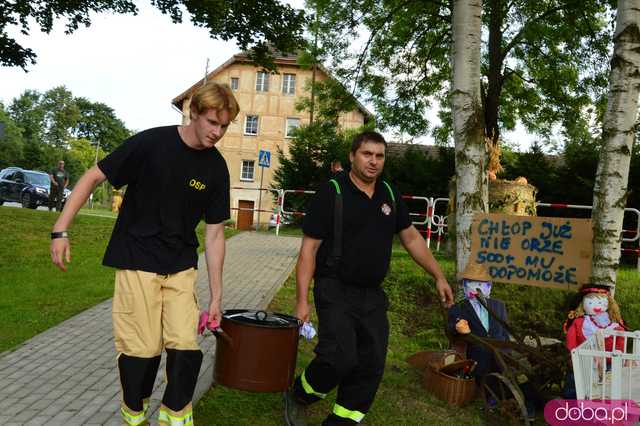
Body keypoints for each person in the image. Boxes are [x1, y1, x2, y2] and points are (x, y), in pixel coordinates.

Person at [49, 81, 239, 426]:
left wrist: (216, 298)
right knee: (142, 350)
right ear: (194, 113)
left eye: (224, 126)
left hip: (180, 266)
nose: (218, 132)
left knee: (186, 349)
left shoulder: (215, 168)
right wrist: (61, 229)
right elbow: (94, 177)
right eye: (213, 122)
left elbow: (214, 235)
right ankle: (134, 416)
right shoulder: (152, 143)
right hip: (137, 260)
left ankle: (176, 418)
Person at [285, 131, 453, 425]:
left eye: (379, 156)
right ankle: (302, 392)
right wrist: (301, 301)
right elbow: (308, 250)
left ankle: (342, 421)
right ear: (352, 156)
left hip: (372, 294)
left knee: (371, 362)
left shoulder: (389, 194)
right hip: (334, 287)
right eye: (367, 154)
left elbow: (412, 238)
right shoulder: (332, 192)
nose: (373, 161)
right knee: (340, 356)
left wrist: (438, 275)